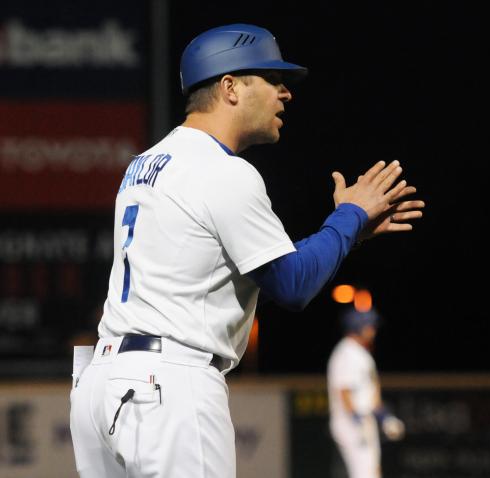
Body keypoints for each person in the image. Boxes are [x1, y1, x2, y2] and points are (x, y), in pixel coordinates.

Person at [69, 23, 423, 478]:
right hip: (171, 385)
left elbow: (252, 267)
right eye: (271, 79)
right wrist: (348, 216)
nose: (285, 94)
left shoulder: (145, 163)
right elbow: (292, 285)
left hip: (101, 383)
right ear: (230, 86)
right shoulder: (222, 171)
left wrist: (345, 233)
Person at [327, 307, 406, 478]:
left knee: (372, 472)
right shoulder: (346, 352)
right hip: (351, 423)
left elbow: (372, 395)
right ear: (358, 326)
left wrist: (385, 418)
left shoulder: (361, 353)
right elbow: (344, 391)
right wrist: (357, 420)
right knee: (365, 474)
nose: (373, 329)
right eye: (370, 325)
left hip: (363, 420)